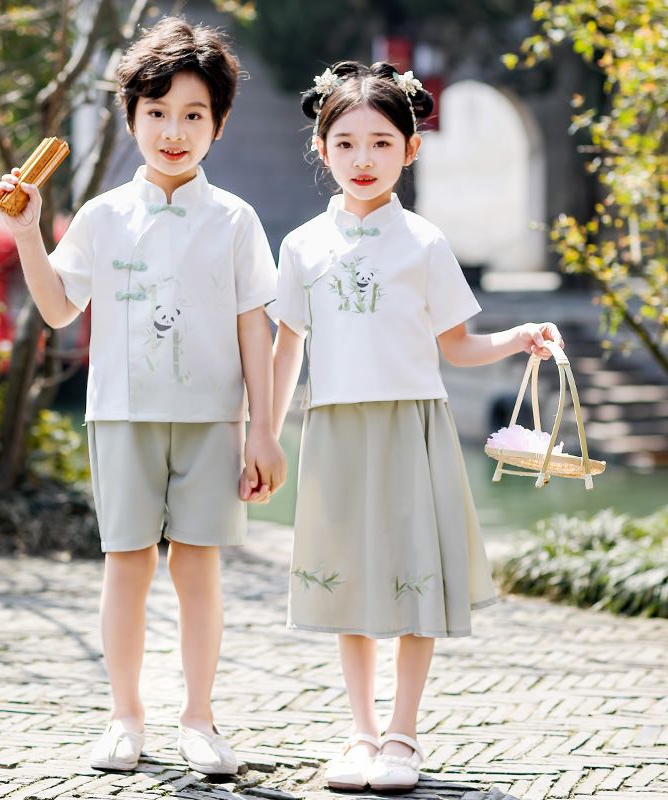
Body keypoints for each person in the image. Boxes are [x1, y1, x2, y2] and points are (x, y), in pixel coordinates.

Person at [0, 17, 285, 776]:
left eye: (193, 115)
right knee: (126, 564)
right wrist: (27, 232)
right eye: (156, 113)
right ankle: (124, 717)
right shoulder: (101, 216)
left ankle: (200, 719)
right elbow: (59, 310)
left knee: (198, 569)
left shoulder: (235, 221)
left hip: (214, 419)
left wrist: (261, 431)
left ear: (218, 125)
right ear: (131, 118)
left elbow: (257, 331)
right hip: (121, 414)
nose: (173, 131)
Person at [270, 60, 563, 792]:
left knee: (412, 582)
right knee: (349, 586)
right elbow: (288, 348)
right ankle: (359, 735)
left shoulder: (426, 243)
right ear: (321, 147)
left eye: (378, 142)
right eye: (344, 144)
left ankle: (402, 734)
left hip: (413, 428)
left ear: (410, 148)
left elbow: (457, 346)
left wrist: (516, 337)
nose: (362, 159)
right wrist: (262, 435)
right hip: (335, 431)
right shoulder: (303, 245)